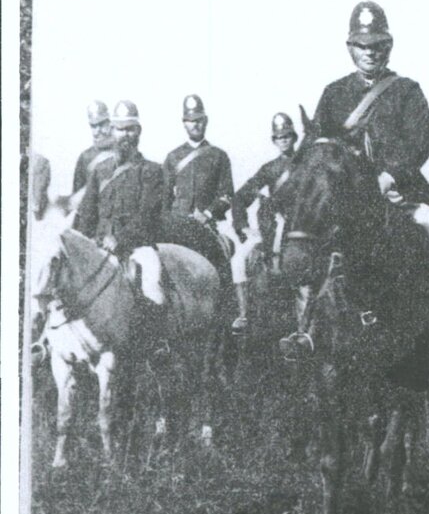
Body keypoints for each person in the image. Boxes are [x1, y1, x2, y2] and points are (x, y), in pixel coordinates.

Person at [312, 0, 429, 351]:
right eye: (362, 46)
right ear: (350, 47)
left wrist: (389, 177)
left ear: (387, 46)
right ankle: (306, 331)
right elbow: (319, 148)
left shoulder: (407, 91)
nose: (369, 53)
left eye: (376, 46)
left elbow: (421, 142)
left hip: (403, 197)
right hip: (348, 205)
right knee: (310, 250)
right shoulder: (333, 95)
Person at [73, 101, 170, 341]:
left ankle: (156, 345)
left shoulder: (152, 171)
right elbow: (86, 215)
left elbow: (147, 216)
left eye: (129, 129)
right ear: (112, 131)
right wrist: (84, 242)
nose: (124, 134)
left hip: (135, 248)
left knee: (152, 282)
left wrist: (120, 239)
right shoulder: (100, 171)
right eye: (119, 128)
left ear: (138, 131)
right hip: (99, 248)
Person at [227, 111, 301, 332]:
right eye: (279, 137)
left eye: (287, 135)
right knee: (238, 261)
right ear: (274, 140)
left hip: (301, 229)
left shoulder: (308, 165)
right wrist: (244, 227)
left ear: (294, 137)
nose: (283, 140)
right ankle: (243, 315)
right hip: (273, 230)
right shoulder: (269, 169)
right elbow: (240, 197)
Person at [163, 94, 236, 259]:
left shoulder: (219, 156)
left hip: (210, 223)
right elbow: (164, 197)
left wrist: (208, 214)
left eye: (199, 119)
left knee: (233, 259)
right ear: (184, 123)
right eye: (190, 120)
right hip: (178, 223)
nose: (195, 124)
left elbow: (227, 194)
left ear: (206, 120)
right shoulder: (173, 157)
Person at [70, 99, 118, 201]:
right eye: (93, 126)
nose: (97, 131)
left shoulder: (121, 151)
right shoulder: (85, 157)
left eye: (101, 124)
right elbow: (77, 196)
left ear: (110, 122)